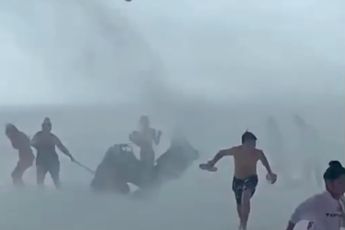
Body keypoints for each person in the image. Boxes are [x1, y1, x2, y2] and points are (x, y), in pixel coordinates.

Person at [199, 131, 277, 230]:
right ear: (243, 143)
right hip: (237, 180)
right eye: (250, 144)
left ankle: (244, 226)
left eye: (254, 144)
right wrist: (212, 163)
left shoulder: (258, 153)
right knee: (239, 204)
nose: (252, 147)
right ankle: (242, 223)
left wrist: (270, 173)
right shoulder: (236, 150)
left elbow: (265, 163)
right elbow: (221, 153)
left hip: (251, 178)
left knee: (245, 197)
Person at [286, 161, 345, 230]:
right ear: (329, 183)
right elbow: (295, 216)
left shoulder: (341, 201)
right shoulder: (318, 201)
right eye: (341, 182)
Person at [31, 117, 75, 188]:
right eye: (44, 126)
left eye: (47, 125)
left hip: (53, 162)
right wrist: (34, 143)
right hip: (41, 162)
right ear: (42, 127)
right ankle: (40, 196)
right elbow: (32, 143)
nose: (45, 127)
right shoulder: (38, 135)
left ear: (50, 127)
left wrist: (70, 156)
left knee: (56, 181)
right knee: (40, 183)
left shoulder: (52, 137)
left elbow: (61, 147)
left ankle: (60, 194)